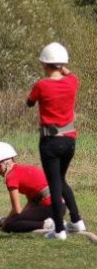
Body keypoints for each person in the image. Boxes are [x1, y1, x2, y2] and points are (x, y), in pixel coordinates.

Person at [26, 42, 86, 240]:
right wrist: (64, 69)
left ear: (44, 64)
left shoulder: (41, 85)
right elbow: (70, 74)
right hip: (69, 141)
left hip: (50, 142)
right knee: (60, 179)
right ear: (62, 64)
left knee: (54, 184)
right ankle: (76, 221)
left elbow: (29, 103)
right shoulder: (72, 81)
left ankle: (59, 230)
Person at [0, 142, 56, 233]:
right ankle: (52, 222)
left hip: (50, 207)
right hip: (59, 206)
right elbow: (32, 202)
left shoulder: (11, 177)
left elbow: (16, 210)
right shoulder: (26, 169)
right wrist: (21, 217)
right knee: (16, 220)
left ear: (7, 162)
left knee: (10, 225)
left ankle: (48, 225)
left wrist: (6, 222)